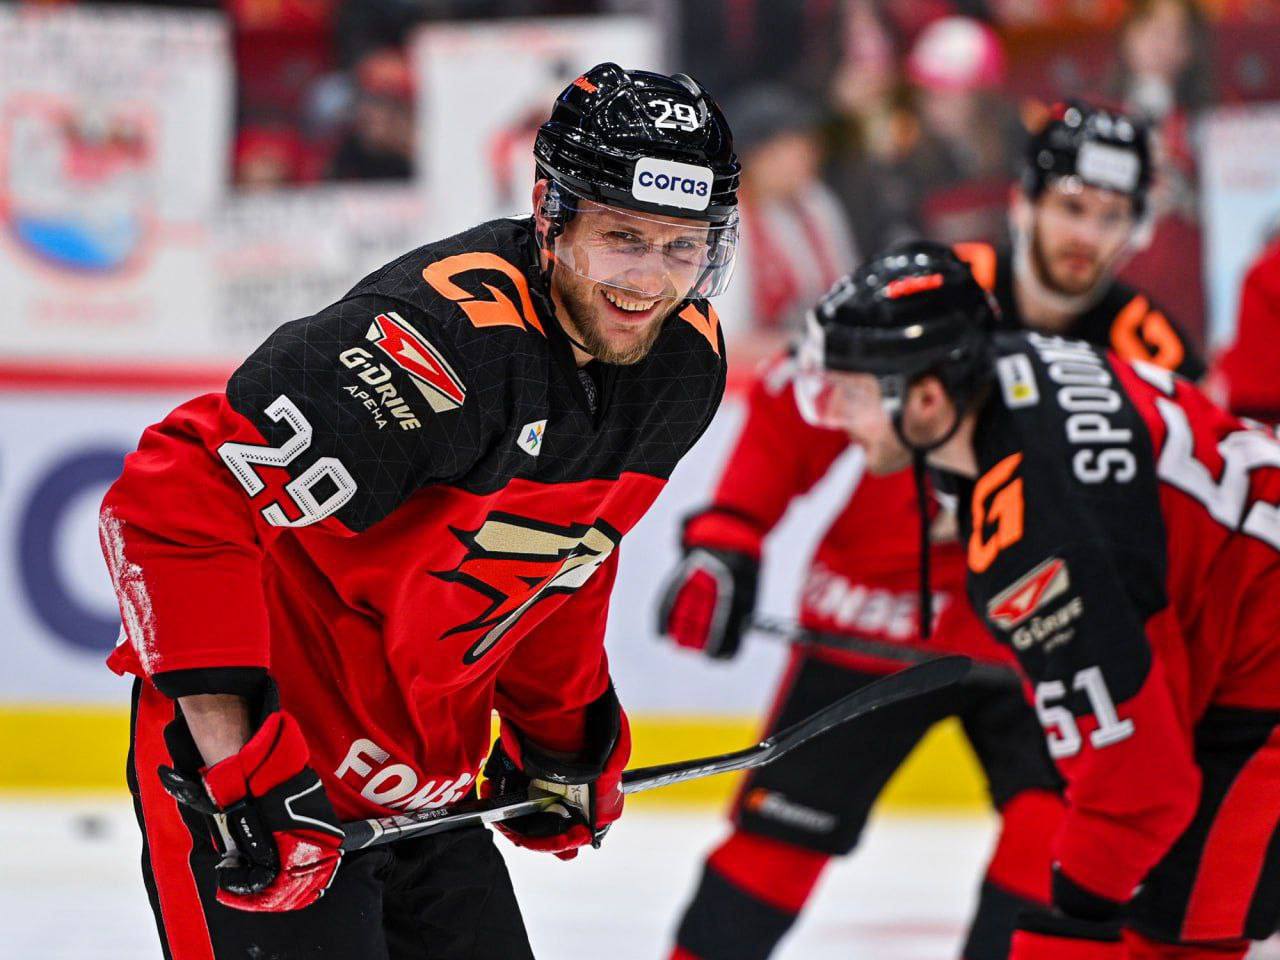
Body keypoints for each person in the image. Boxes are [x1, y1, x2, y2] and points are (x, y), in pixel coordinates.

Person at [100, 61, 740, 960]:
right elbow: (170, 496)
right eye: (622, 236)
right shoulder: (440, 346)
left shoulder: (680, 363)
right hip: (276, 780)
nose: (650, 282)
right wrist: (235, 766)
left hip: (422, 792)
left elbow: (562, 561)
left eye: (683, 247)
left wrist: (560, 735)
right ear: (550, 215)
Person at [657, 100, 1200, 960]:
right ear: (1023, 201)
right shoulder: (924, 293)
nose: (1085, 235)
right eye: (1070, 205)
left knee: (1058, 850)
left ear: (1137, 227)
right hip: (873, 618)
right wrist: (729, 533)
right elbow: (795, 406)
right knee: (771, 857)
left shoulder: (1151, 350)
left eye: (1110, 216)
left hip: (1037, 643)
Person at [793, 241, 1280, 959]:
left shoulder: (1035, 529)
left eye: (855, 394)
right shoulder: (1018, 368)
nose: (836, 416)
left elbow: (1141, 790)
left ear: (926, 399)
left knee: (1178, 930)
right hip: (1246, 625)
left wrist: (1068, 924)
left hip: (1262, 674)